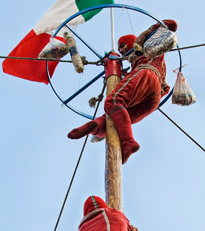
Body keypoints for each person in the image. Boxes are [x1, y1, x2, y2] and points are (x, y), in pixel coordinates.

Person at [67, 20, 178, 163]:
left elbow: (172, 25)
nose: (122, 51)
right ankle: (97, 125)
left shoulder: (148, 46)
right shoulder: (136, 64)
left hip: (147, 74)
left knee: (113, 101)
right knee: (120, 117)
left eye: (123, 46)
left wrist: (148, 31)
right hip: (153, 98)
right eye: (120, 49)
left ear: (132, 42)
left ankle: (128, 142)